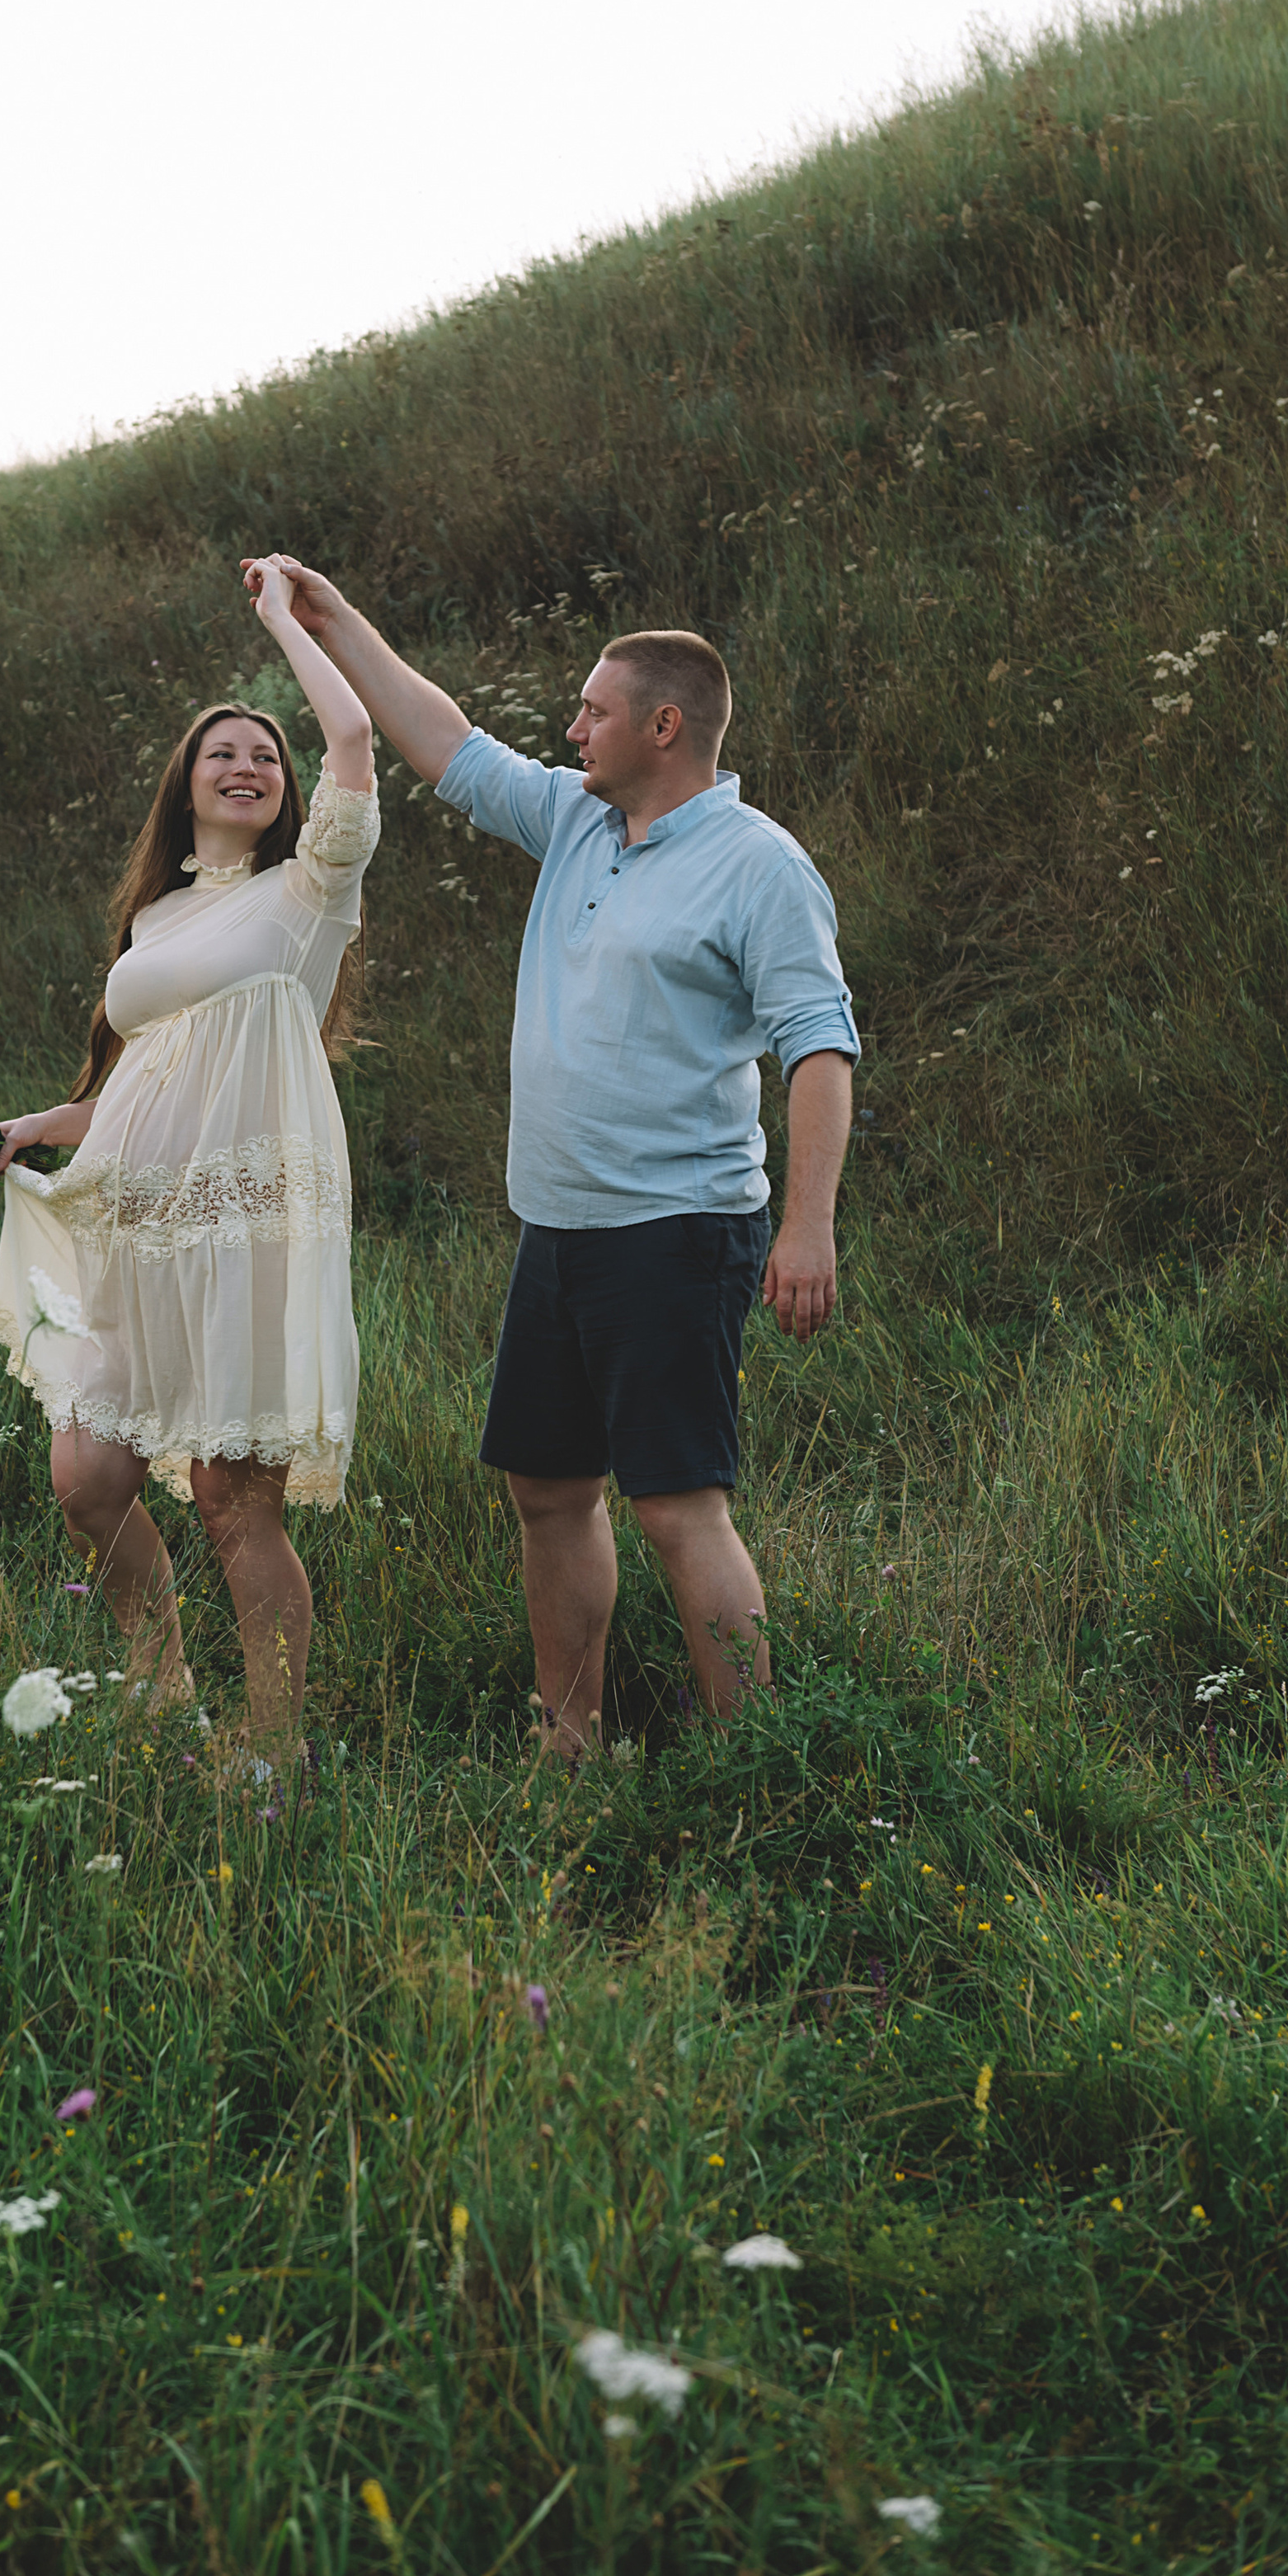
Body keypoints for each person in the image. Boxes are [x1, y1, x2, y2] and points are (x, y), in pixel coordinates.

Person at [263, 564, 858, 1755]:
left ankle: (756, 1762)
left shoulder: (759, 865)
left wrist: (807, 1228)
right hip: (560, 1226)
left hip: (679, 1229)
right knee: (547, 1487)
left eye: (592, 710)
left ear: (663, 726)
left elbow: (821, 1047)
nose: (571, 726)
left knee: (678, 1506)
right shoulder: (579, 820)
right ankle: (569, 1736)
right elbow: (446, 742)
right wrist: (334, 622)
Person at [0, 555, 378, 1753]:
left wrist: (283, 620)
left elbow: (351, 731)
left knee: (231, 1501)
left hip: (243, 1235)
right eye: (224, 751)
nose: (249, 764)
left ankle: (270, 1749)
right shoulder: (154, 920)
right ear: (186, 785)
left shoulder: (312, 892)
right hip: (133, 1228)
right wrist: (38, 1125)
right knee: (89, 1478)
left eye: (266, 755)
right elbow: (138, 1083)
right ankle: (162, 1679)